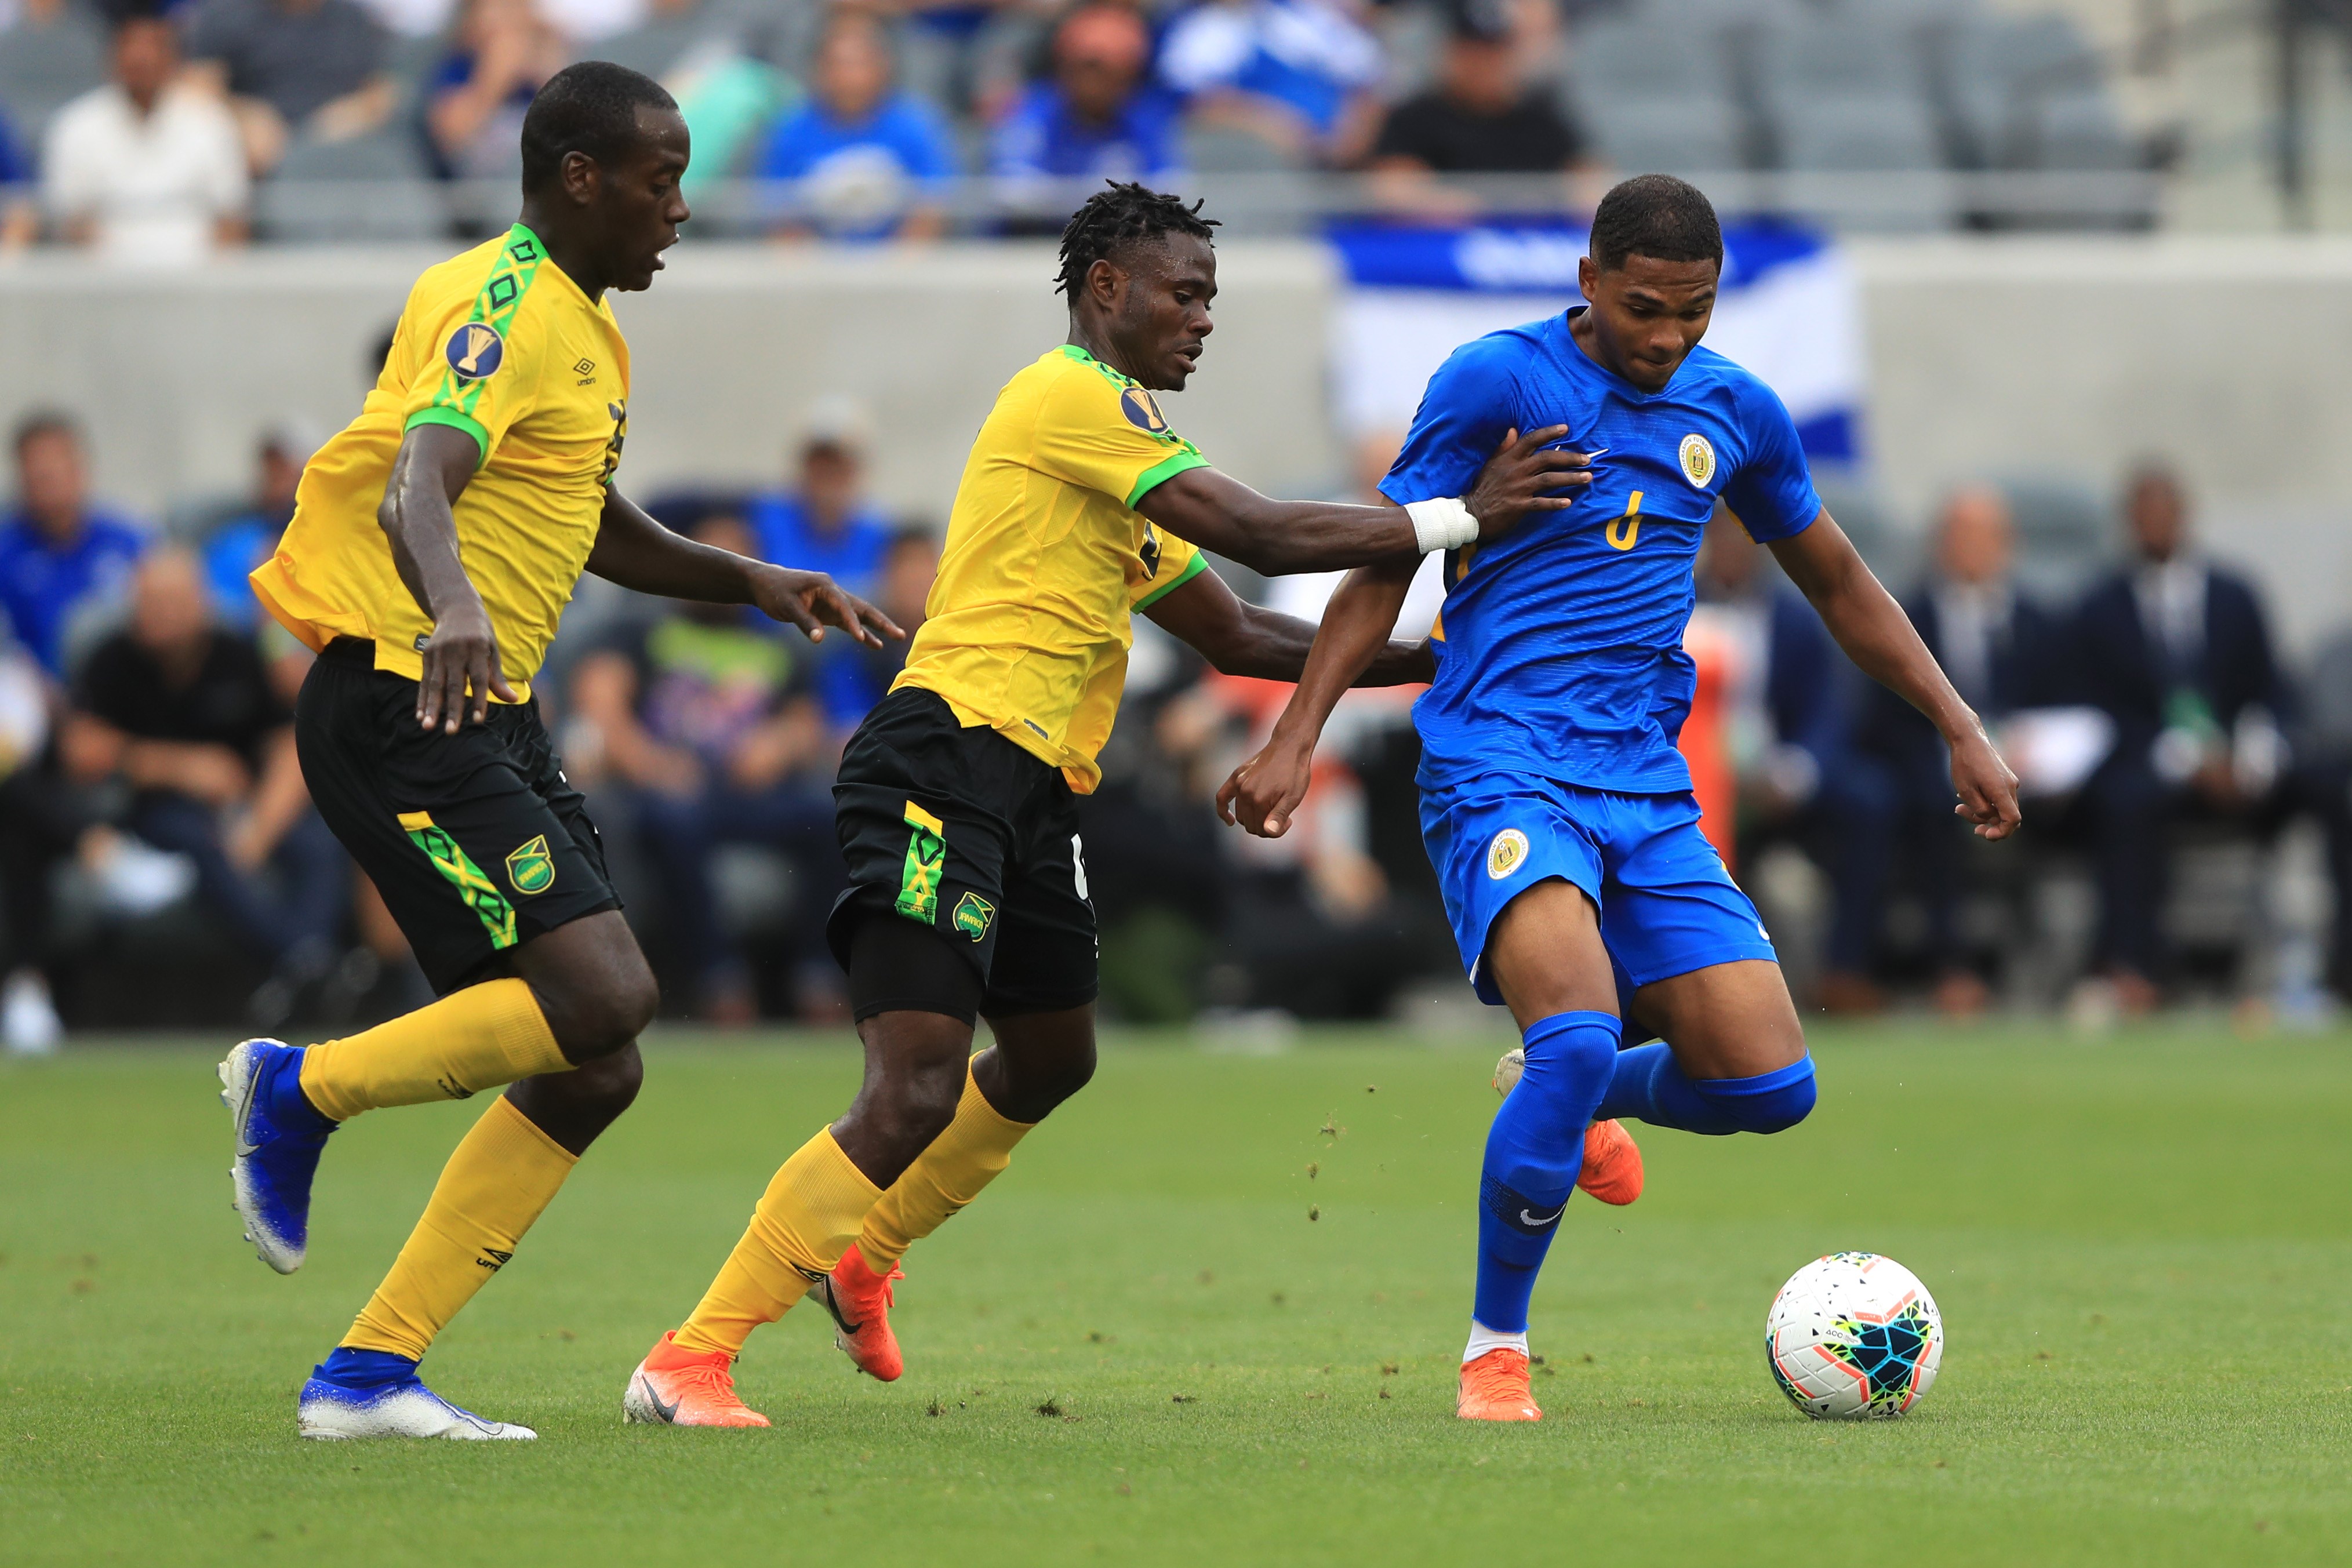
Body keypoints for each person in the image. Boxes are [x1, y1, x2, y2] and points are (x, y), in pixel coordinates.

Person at [620, 180, 1581, 1426]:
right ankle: (690, 1356)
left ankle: (865, 1256)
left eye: (1212, 299)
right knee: (911, 1081)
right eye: (1184, 293)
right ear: (1108, 288)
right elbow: (1261, 531)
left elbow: (1234, 627)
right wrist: (1463, 515)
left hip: (1027, 791)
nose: (1202, 319)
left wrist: (1430, 660)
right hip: (941, 759)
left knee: (1051, 1053)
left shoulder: (1109, 458)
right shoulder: (1069, 396)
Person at [1216, 175, 2019, 1424]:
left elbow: (1843, 582)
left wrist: (1958, 725)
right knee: (1581, 1026)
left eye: (1692, 313)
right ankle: (1497, 1346)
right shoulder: (1497, 380)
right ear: (1589, 281)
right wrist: (1297, 733)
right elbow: (1389, 554)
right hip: (1498, 758)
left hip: (1645, 782)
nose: (1666, 337)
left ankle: (1566, 1094)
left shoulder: (1737, 407)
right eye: (1645, 307)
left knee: (1768, 1086)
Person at [216, 61, 898, 1443]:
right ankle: (299, 1087)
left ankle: (365, 1377)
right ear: (579, 178)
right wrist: (455, 600)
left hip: (488, 709)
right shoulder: (501, 298)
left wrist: (752, 577)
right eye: (660, 180)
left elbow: (588, 519)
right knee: (607, 995)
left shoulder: (588, 330)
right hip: (406, 695)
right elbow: (424, 472)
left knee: (594, 1058)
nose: (680, 208)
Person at [569, 511, 843, 1023]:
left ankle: (817, 975)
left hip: (751, 790)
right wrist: (651, 764)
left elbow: (808, 723)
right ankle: (719, 981)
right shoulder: (640, 629)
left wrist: (778, 743)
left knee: (832, 815)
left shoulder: (779, 643)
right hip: (669, 788)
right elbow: (599, 700)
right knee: (676, 821)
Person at [63, 548, 346, 1014]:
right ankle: (301, 961)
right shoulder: (110, 658)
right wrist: (181, 765)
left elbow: (287, 744)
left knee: (317, 840)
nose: (160, 613)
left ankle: (303, 961)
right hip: (154, 811)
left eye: (173, 600)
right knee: (198, 839)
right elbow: (81, 750)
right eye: (149, 600)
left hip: (244, 804)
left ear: (202, 602)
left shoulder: (236, 652)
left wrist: (258, 829)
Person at [2071, 464, 2288, 1013]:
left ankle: (2332, 969)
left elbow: (2270, 687)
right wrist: (2184, 754)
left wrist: (2253, 752)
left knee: (2332, 786)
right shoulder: (2099, 608)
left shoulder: (2235, 596)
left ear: (2184, 517)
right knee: (2123, 801)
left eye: (2164, 512)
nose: (2154, 525)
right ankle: (2133, 965)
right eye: (2143, 515)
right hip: (2151, 766)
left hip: (2240, 764)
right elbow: (2099, 709)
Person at [1859, 485, 2062, 1014]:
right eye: (1959, 536)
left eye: (1984, 537)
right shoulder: (1907, 619)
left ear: (2007, 545)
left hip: (2026, 773)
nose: (1971, 549)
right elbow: (1882, 715)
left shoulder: (2037, 622)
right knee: (1933, 804)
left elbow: (2060, 704)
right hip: (1931, 774)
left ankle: (2081, 967)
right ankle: (1951, 967)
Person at [39, 11, 249, 264]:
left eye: (153, 47)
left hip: (196, 283)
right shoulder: (75, 126)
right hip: (103, 287)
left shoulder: (212, 123)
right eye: (131, 47)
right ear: (112, 58)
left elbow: (232, 219)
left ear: (174, 59)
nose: (142, 58)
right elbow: (69, 222)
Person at [1366, 0, 1592, 220]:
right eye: (1473, 51)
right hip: (1441, 244)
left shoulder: (1541, 119)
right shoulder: (1416, 118)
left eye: (1493, 52)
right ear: (1452, 52)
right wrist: (1451, 205)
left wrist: (1545, 203)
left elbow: (1587, 181)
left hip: (1528, 243)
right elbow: (1392, 187)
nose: (1483, 64)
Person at [757, 10, 958, 243]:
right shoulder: (791, 130)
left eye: (859, 64)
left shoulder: (916, 126)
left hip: (901, 272)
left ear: (883, 66)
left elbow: (932, 208)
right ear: (818, 69)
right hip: (814, 273)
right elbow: (780, 218)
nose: (849, 77)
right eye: (838, 64)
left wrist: (894, 271)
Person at [991, 6, 1183, 230]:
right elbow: (1014, 193)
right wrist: (1113, 202)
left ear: (1128, 74)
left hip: (1116, 244)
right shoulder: (1032, 112)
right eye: (1082, 66)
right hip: (1035, 245)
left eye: (1104, 69)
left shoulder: (1146, 119)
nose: (1090, 80)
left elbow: (1171, 193)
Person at [0, 412, 147, 681]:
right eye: (37, 463)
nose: (48, 472)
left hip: (121, 685)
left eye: (59, 459)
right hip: (31, 687)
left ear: (81, 468)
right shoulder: (6, 551)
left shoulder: (128, 539)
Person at [1158, 0, 1385, 167]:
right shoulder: (1201, 28)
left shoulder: (1308, 17)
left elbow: (1367, 85)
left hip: (1332, 160)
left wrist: (1346, 145)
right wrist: (1280, 128)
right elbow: (1197, 104)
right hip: (1249, 158)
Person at [181, 0, 394, 175]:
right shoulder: (224, 15)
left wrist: (346, 118)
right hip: (255, 157)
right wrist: (240, 117)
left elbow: (381, 91)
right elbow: (197, 88)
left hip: (336, 151)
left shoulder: (352, 18)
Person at [746, 396, 896, 598]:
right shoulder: (762, 523)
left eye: (838, 464)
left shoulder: (882, 536)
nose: (828, 475)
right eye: (819, 462)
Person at [421, 0, 564, 181]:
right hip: (475, 194)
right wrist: (495, 75)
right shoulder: (456, 69)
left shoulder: (543, 71)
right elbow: (449, 141)